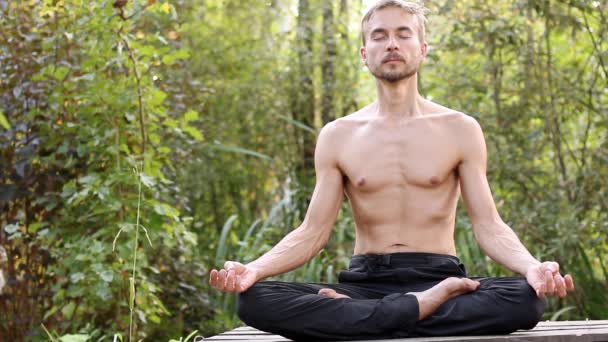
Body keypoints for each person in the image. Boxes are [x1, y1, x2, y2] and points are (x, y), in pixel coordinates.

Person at [209, 1, 575, 340]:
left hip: (440, 277)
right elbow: (312, 232)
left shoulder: (460, 129)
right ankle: (415, 308)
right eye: (379, 35)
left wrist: (531, 267)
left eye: (403, 33)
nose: (392, 44)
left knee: (525, 299)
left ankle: (367, 319)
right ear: (365, 53)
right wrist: (254, 269)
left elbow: (489, 226)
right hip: (366, 280)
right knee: (254, 300)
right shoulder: (338, 135)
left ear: (423, 49)